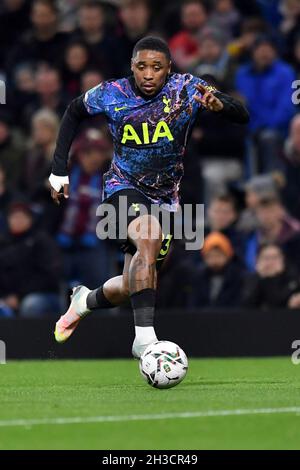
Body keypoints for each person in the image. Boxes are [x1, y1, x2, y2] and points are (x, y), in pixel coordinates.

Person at [48, 36, 249, 358]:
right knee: (148, 237)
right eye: (142, 66)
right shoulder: (113, 93)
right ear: (132, 67)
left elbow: (242, 115)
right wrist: (59, 170)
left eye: (157, 67)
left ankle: (84, 300)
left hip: (166, 197)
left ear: (168, 68)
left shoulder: (186, 89)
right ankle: (144, 340)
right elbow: (73, 111)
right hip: (121, 187)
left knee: (134, 283)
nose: (148, 74)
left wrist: (220, 105)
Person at [241, 243, 300, 310]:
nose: (271, 262)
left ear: (283, 259)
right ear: (257, 260)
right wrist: (260, 278)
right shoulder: (248, 279)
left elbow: (278, 302)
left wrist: (274, 278)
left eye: (275, 257)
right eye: (266, 258)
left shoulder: (293, 279)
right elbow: (245, 305)